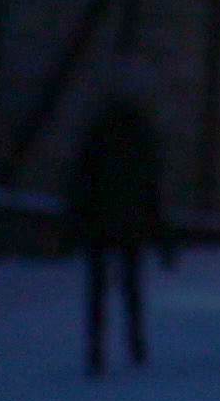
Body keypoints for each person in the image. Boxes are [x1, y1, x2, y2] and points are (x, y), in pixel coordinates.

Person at [66, 99, 172, 378]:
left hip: (102, 224)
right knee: (129, 290)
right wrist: (163, 239)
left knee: (101, 292)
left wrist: (73, 226)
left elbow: (80, 184)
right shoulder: (140, 143)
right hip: (128, 226)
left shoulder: (100, 137)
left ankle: (98, 351)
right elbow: (152, 194)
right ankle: (134, 346)